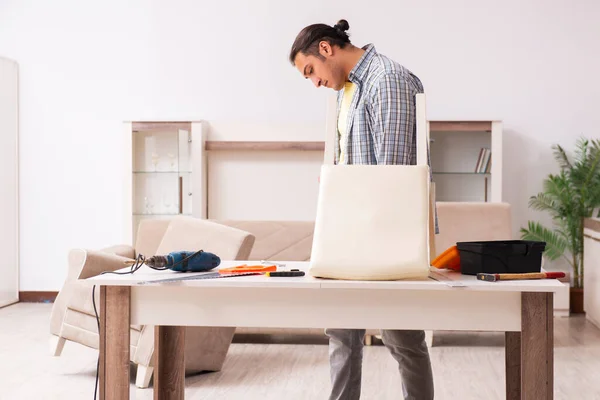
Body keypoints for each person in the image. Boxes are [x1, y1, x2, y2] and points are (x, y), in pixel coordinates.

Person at [289, 19, 435, 400]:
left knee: (401, 334)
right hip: (351, 231)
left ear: (325, 49)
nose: (314, 82)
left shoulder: (388, 81)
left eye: (310, 71)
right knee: (341, 333)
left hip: (388, 232)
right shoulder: (347, 90)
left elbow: (396, 173)